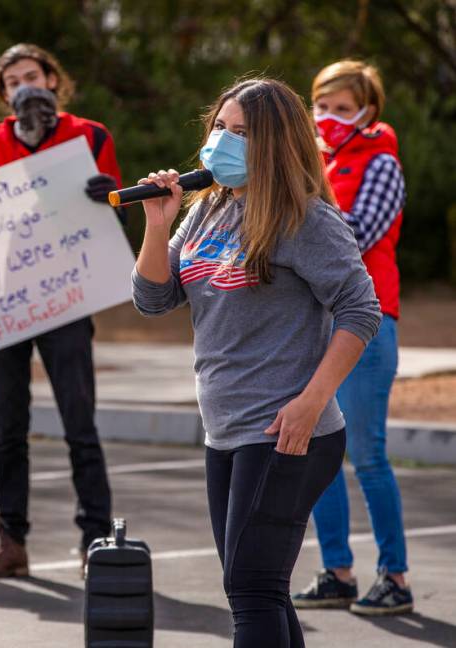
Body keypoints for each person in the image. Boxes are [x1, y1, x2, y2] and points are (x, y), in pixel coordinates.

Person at [131, 78, 381, 647]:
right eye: (220, 127)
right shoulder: (206, 211)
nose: (223, 140)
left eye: (241, 132)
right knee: (256, 588)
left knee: (250, 589)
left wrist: (311, 401)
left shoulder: (304, 218)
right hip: (227, 430)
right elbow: (153, 299)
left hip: (287, 429)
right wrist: (157, 223)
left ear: (274, 141)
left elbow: (360, 310)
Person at [0, 43, 121, 580]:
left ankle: (96, 540)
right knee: (8, 427)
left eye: (31, 75)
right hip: (7, 300)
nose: (22, 86)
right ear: (2, 92)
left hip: (67, 296)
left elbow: (110, 221)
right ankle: (11, 542)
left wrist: (111, 197)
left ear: (53, 79)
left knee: (80, 424)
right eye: (12, 81)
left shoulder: (91, 135)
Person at [293, 60, 413, 616]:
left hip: (368, 323)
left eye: (343, 108)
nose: (329, 118)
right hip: (314, 326)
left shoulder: (381, 163)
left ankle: (396, 577)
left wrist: (296, 220)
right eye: (321, 106)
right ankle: (337, 572)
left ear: (369, 112)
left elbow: (357, 233)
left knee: (367, 456)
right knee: (321, 455)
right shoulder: (312, 162)